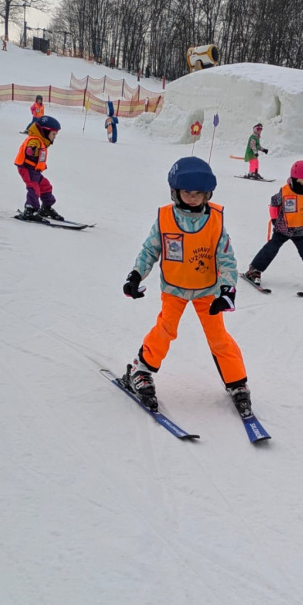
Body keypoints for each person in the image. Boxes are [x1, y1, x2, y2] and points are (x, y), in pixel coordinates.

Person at [121, 157, 253, 417]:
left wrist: (227, 291)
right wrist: (135, 275)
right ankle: (141, 370)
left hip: (207, 290)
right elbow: (150, 250)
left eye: (198, 194)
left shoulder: (215, 220)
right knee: (166, 329)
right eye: (187, 193)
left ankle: (237, 382)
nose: (193, 198)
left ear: (208, 194)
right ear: (175, 192)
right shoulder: (165, 218)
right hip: (175, 289)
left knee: (218, 337)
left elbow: (226, 259)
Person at [243, 160, 303, 290]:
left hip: (301, 231)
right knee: (271, 249)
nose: (302, 185)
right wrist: (275, 219)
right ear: (292, 179)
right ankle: (254, 270)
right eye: (299, 182)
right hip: (283, 228)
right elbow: (274, 203)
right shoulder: (284, 192)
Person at [14, 115, 63, 219]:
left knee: (45, 185)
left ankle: (46, 207)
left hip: (34, 170)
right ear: (45, 131)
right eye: (53, 134)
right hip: (26, 168)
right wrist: (31, 149)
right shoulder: (35, 140)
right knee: (33, 186)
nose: (54, 137)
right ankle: (30, 209)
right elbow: (31, 145)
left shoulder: (41, 141)